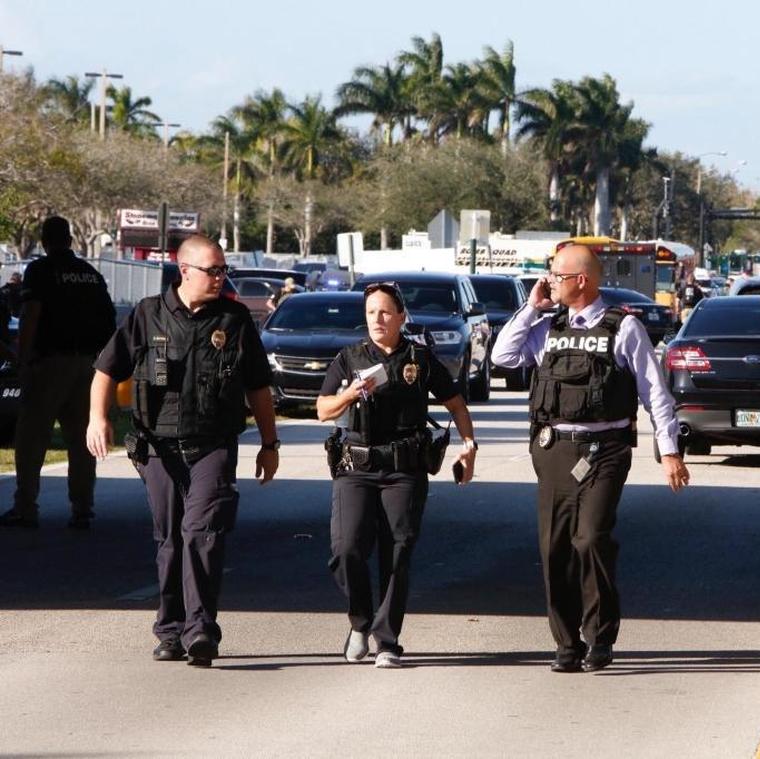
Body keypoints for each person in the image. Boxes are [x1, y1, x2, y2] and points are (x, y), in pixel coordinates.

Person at [491, 244, 690, 674]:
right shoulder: (547, 327)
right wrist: (530, 308)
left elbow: (654, 392)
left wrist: (670, 450)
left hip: (606, 450)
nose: (549, 281)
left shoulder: (624, 328)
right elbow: (501, 356)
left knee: (591, 538)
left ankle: (599, 636)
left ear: (581, 280)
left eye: (556, 275)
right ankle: (566, 644)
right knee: (554, 548)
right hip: (555, 450)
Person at [86, 234, 280, 667]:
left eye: (223, 269)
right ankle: (170, 630)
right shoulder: (147, 315)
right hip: (157, 448)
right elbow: (104, 370)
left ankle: (201, 630)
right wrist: (97, 418)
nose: (220, 277)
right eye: (213, 270)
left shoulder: (234, 320)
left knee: (202, 533)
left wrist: (269, 443)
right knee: (170, 539)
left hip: (213, 444)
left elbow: (257, 386)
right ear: (184, 271)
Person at [315, 281, 477, 668]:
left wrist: (469, 446)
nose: (378, 319)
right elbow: (323, 410)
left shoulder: (418, 359)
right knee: (346, 549)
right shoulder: (350, 357)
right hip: (356, 466)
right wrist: (350, 395)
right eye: (371, 312)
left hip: (403, 468)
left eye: (386, 311)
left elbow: (456, 404)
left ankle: (386, 641)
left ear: (402, 317)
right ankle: (360, 622)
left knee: (397, 552)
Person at [0, 217, 116, 530]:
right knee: (80, 439)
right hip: (89, 367)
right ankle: (82, 508)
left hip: (50, 364)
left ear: (45, 240)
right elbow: (109, 321)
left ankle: (25, 507)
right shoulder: (90, 274)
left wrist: (23, 360)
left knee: (32, 436)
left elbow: (31, 315)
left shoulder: (39, 271)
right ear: (69, 239)